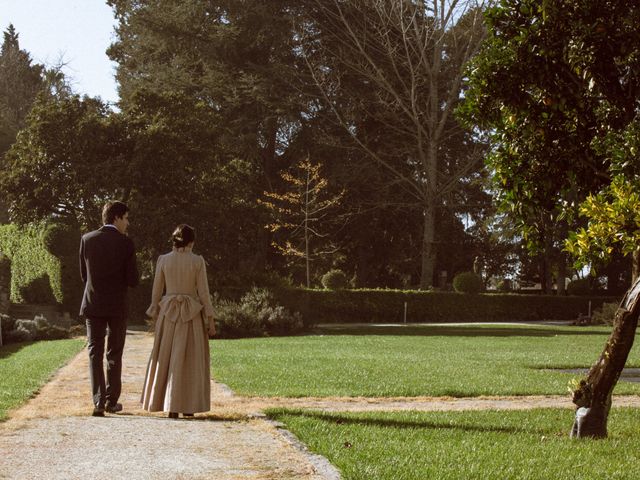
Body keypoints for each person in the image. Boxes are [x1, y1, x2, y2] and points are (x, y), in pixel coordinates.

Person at [141, 224, 216, 418]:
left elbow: (156, 291)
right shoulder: (197, 261)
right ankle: (188, 407)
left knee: (166, 358)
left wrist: (155, 313)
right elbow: (204, 293)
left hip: (169, 315)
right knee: (190, 361)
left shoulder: (163, 260)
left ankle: (170, 405)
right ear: (192, 241)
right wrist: (210, 320)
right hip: (191, 316)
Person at [80, 200, 139, 417]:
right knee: (114, 352)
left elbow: (84, 276)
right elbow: (133, 280)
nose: (128, 223)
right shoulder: (126, 243)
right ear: (116, 217)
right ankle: (111, 400)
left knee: (94, 352)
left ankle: (97, 401)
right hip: (117, 305)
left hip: (94, 302)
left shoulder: (87, 239)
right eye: (126, 218)